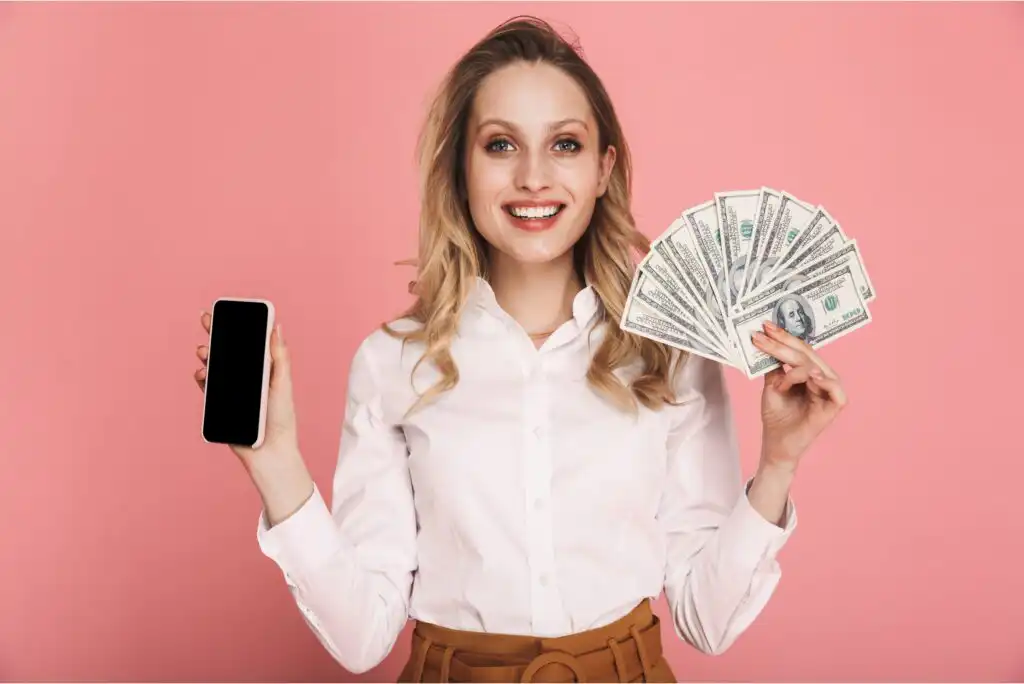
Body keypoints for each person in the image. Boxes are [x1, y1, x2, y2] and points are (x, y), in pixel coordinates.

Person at [193, 15, 848, 683]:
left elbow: (706, 621)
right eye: (501, 145)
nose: (534, 177)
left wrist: (779, 463)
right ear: (461, 169)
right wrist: (275, 464)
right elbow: (362, 637)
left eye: (564, 144)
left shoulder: (670, 359)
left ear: (603, 169)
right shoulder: (392, 362)